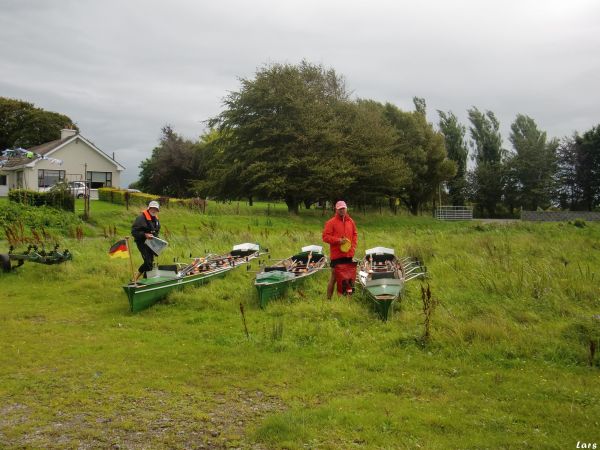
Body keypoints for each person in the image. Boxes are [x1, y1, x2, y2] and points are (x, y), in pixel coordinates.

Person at [322, 200, 358, 299]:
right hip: (336, 255)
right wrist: (338, 241)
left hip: (348, 255)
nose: (342, 210)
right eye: (340, 209)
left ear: (346, 208)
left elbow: (355, 234)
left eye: (343, 208)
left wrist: (353, 247)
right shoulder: (331, 222)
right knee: (333, 278)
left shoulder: (350, 221)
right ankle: (328, 300)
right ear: (336, 209)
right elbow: (325, 237)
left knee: (349, 279)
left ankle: (348, 299)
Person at [131, 200, 161, 282]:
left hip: (151, 243)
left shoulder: (156, 219)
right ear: (149, 208)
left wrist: (158, 242)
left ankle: (145, 281)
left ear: (158, 210)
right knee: (148, 262)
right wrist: (145, 235)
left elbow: (156, 231)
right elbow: (134, 232)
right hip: (142, 242)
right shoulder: (141, 218)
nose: (154, 210)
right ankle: (135, 279)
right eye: (152, 208)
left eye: (156, 209)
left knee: (150, 264)